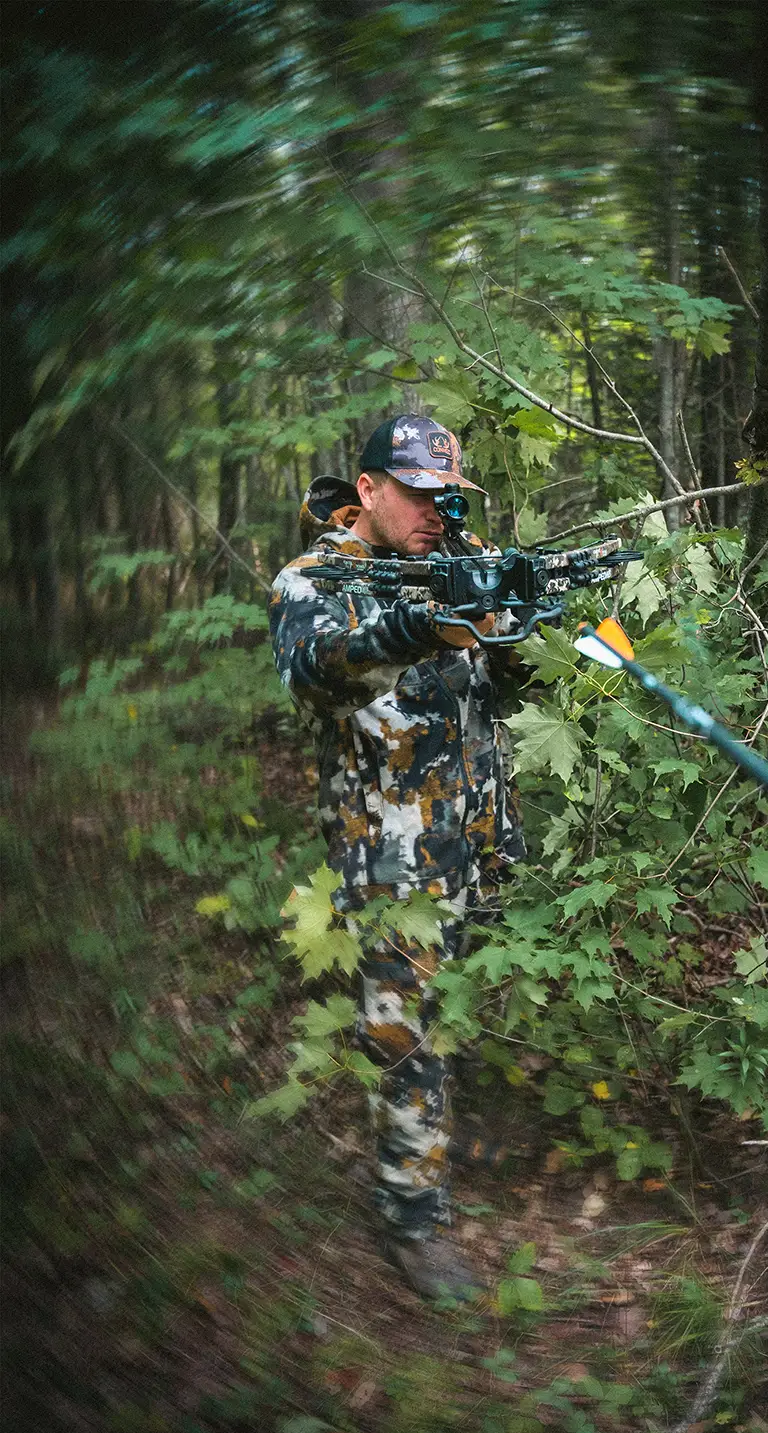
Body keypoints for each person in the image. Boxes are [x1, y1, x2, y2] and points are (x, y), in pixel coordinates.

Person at [268, 415, 527, 1301]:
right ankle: (412, 1212)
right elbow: (316, 675)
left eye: (446, 493)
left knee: (453, 1007)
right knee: (400, 1033)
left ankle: (445, 1134)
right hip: (389, 858)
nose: (435, 509)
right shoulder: (314, 581)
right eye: (417, 493)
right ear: (367, 488)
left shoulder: (459, 552)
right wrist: (423, 628)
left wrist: (511, 633)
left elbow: (502, 683)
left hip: (475, 832)